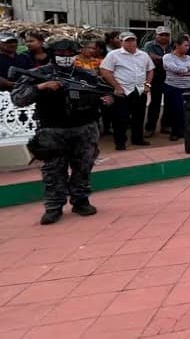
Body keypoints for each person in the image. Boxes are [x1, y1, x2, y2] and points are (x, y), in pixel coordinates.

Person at [11, 36, 112, 225]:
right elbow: (18, 98)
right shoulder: (38, 73)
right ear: (52, 54)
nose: (65, 57)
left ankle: (81, 201)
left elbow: (102, 94)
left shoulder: (86, 75)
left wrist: (106, 100)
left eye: (69, 54)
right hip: (52, 130)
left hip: (84, 129)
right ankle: (54, 206)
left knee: (83, 167)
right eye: (61, 54)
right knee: (53, 170)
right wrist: (40, 87)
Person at [100, 31, 154, 151]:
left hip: (139, 90)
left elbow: (150, 70)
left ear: (136, 41)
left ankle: (138, 139)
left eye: (132, 40)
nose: (130, 43)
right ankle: (120, 143)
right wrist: (116, 86)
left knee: (139, 117)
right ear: (121, 42)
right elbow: (105, 71)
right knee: (121, 119)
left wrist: (148, 84)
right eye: (127, 41)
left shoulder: (143, 55)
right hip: (122, 91)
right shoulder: (114, 55)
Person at [162, 38, 190, 141]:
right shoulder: (168, 57)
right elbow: (174, 68)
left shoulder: (189, 58)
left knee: (186, 110)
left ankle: (184, 131)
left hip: (189, 87)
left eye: (188, 46)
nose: (187, 48)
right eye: (185, 45)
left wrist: (188, 72)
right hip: (174, 87)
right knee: (176, 110)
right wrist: (188, 69)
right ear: (177, 45)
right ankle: (175, 132)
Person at [142, 26, 172, 138]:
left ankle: (166, 125)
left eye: (166, 35)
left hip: (169, 77)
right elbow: (149, 58)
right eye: (161, 34)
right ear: (156, 35)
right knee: (155, 103)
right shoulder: (149, 45)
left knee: (169, 103)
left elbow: (175, 58)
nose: (164, 37)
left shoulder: (172, 46)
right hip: (155, 76)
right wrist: (166, 59)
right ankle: (150, 127)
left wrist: (160, 58)